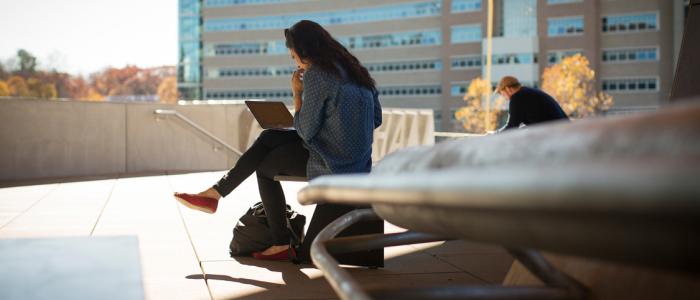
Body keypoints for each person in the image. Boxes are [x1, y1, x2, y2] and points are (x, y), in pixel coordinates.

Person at [173, 20, 382, 261]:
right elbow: (375, 119)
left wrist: (297, 93)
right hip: (357, 160)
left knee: (264, 168)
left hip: (333, 162)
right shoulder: (357, 72)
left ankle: (278, 240)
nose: (294, 61)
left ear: (304, 51)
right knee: (270, 136)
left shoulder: (318, 75)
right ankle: (214, 194)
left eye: (293, 55)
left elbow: (305, 129)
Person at [496, 76, 569, 131]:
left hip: (556, 133)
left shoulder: (517, 97)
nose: (505, 98)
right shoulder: (529, 92)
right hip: (565, 129)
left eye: (503, 94)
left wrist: (494, 135)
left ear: (508, 89)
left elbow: (512, 127)